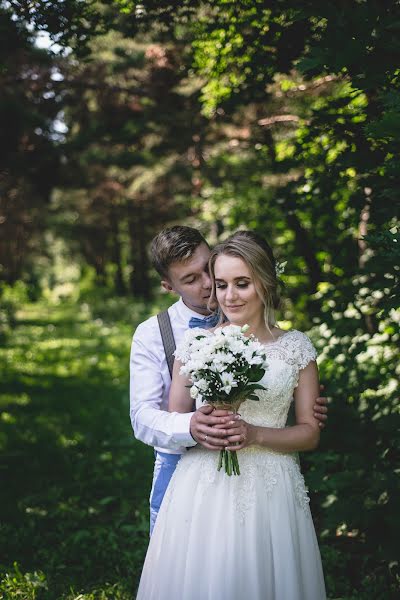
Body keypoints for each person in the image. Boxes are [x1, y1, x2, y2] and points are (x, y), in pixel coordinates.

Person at [136, 230, 326, 600]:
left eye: (242, 283)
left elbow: (309, 432)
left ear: (265, 283)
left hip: (272, 483)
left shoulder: (296, 348)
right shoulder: (196, 343)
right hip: (202, 480)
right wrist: (203, 419)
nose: (227, 294)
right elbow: (173, 417)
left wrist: (255, 433)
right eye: (221, 284)